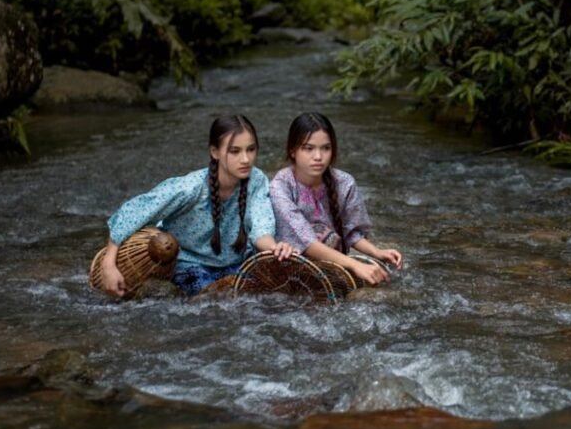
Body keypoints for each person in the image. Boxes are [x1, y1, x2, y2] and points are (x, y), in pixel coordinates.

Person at [99, 114, 295, 297]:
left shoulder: (257, 180)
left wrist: (276, 248)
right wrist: (109, 263)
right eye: (235, 151)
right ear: (215, 152)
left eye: (251, 149)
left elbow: (261, 228)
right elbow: (134, 211)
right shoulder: (191, 188)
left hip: (235, 264)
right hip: (190, 264)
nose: (245, 159)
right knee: (214, 300)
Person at [269, 112, 402, 286]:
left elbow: (351, 232)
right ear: (293, 151)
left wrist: (377, 252)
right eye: (309, 148)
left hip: (334, 268)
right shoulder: (280, 186)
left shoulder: (345, 183)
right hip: (293, 273)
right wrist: (354, 264)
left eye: (326, 148)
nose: (318, 157)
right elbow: (306, 241)